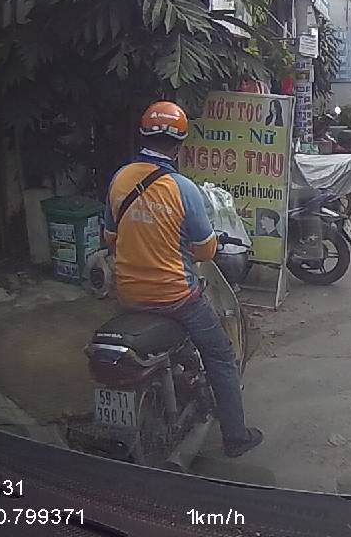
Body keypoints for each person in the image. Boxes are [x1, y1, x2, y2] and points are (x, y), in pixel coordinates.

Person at [102, 101, 263, 458]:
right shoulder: (183, 188)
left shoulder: (119, 179)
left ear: (143, 136)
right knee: (220, 355)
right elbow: (205, 251)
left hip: (127, 294)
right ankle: (235, 436)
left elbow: (111, 238)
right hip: (177, 298)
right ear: (179, 145)